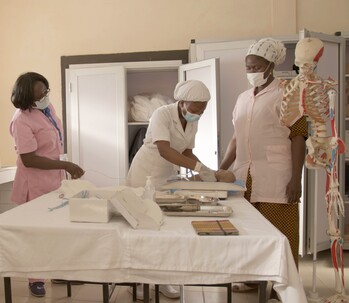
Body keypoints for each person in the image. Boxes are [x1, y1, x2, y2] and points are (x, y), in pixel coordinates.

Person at [219, 38, 307, 301]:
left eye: (256, 66)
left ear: (271, 65)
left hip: (277, 176)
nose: (251, 71)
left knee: (282, 233)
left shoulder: (288, 92)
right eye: (247, 67)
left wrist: (296, 179)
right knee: (247, 233)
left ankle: (285, 290)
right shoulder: (243, 98)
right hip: (243, 176)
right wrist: (220, 169)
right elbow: (236, 138)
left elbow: (298, 136)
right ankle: (250, 279)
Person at [10, 72, 85, 297]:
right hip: (33, 183)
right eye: (39, 94)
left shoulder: (47, 109)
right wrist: (68, 165)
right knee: (37, 234)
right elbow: (29, 158)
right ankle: (36, 279)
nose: (45, 96)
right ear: (26, 98)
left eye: (45, 91)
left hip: (53, 180)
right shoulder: (21, 120)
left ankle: (58, 271)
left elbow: (54, 141)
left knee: (57, 230)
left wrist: (63, 168)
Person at [127, 79, 228, 189]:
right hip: (145, 172)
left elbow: (186, 152)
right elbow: (164, 151)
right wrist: (199, 168)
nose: (198, 115)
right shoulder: (162, 114)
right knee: (143, 203)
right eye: (194, 111)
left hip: (166, 173)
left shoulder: (193, 121)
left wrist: (206, 170)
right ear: (182, 103)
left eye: (201, 112)